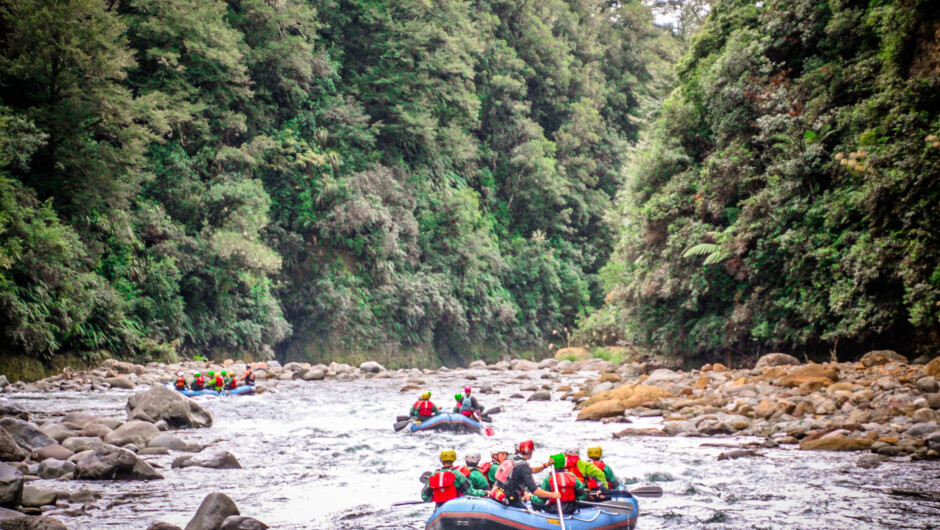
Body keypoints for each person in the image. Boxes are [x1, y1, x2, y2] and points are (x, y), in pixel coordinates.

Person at [489, 440, 560, 508]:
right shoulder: (523, 467)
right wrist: (552, 495)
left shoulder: (513, 458)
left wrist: (545, 466)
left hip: (498, 490)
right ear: (529, 452)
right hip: (510, 498)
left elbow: (530, 470)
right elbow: (535, 491)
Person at [421, 450, 488, 507]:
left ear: (441, 460)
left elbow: (425, 496)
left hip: (440, 507)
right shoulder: (457, 474)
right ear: (453, 460)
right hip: (456, 507)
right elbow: (470, 492)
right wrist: (485, 492)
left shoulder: (434, 474)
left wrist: (437, 497)